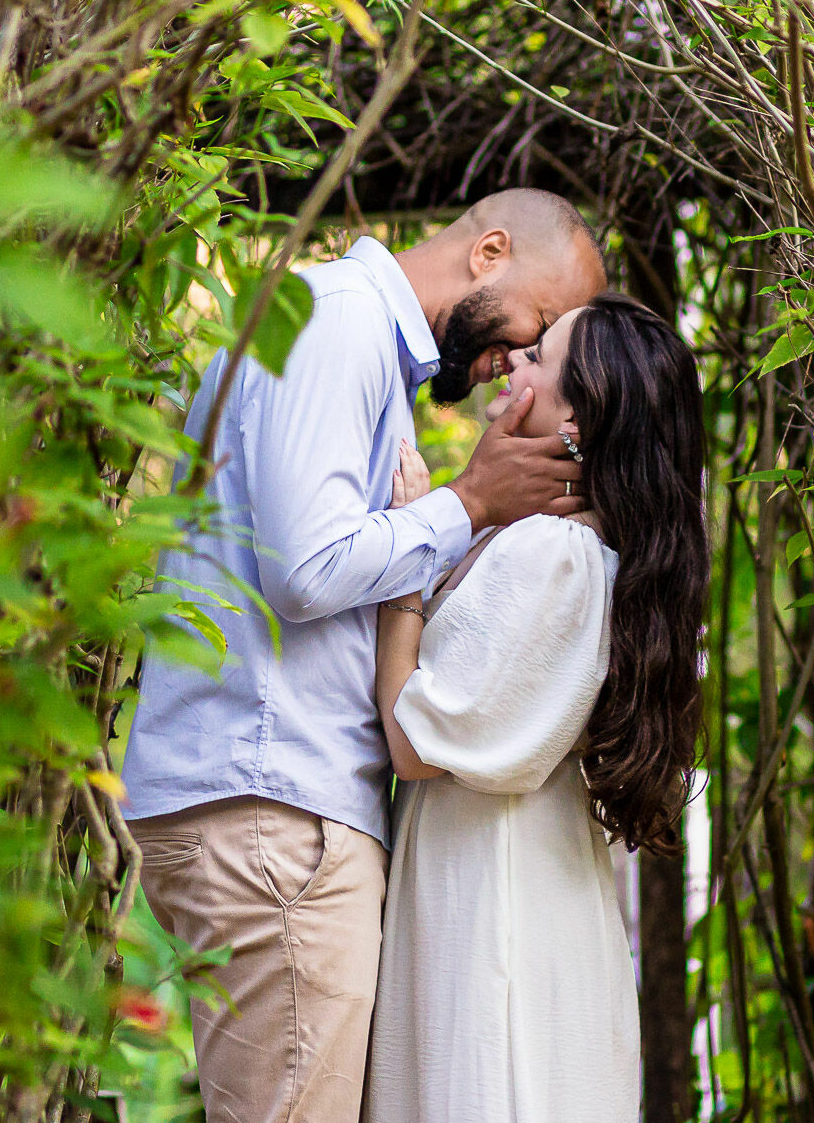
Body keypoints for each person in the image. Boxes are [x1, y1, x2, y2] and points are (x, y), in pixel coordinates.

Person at [121, 190, 605, 1123]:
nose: (517, 360)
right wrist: (469, 503)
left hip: (266, 807)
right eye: (536, 325)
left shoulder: (349, 341)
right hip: (278, 813)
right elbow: (307, 571)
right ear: (488, 252)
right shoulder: (338, 322)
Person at [364, 294, 709, 1123]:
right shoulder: (561, 545)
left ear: (579, 424)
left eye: (539, 358)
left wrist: (407, 564)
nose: (512, 359)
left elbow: (417, 737)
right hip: (506, 883)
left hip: (495, 907)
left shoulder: (554, 554)